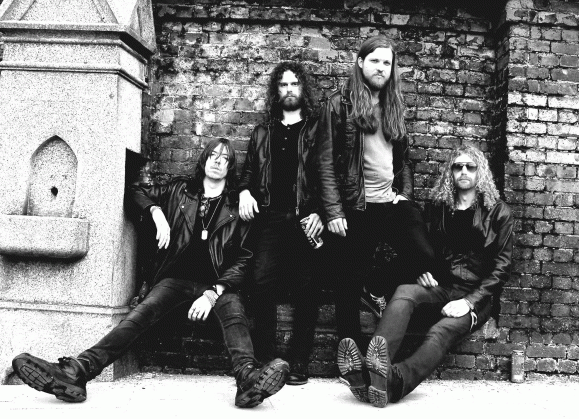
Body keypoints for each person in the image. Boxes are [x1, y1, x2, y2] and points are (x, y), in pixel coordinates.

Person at [12, 138, 289, 408]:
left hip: (217, 285)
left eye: (225, 158)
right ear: (204, 159)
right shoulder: (180, 190)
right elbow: (134, 191)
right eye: (213, 155)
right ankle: (78, 371)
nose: (218, 162)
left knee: (235, 314)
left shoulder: (236, 205)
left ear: (230, 167)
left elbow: (244, 259)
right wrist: (156, 211)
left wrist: (213, 293)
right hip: (174, 279)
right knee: (139, 315)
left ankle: (248, 380)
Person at [337, 145, 513, 407]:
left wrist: (469, 302)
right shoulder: (439, 208)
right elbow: (425, 248)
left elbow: (502, 268)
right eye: (458, 166)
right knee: (405, 292)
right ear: (450, 173)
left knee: (441, 330)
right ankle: (374, 368)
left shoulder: (499, 212)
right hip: (443, 287)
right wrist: (423, 271)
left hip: (477, 297)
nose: (464, 171)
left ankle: (393, 381)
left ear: (481, 172)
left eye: (470, 166)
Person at [316, 35, 434, 348]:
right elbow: (324, 162)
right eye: (375, 61)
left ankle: (377, 286)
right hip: (356, 206)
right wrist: (333, 211)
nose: (381, 68)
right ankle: (349, 352)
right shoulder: (338, 104)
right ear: (360, 62)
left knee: (424, 254)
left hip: (389, 203)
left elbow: (403, 159)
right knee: (348, 282)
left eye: (386, 62)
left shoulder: (394, 105)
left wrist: (404, 194)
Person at [238, 62, 323, 385]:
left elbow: (329, 175)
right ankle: (267, 361)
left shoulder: (316, 130)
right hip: (270, 218)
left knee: (307, 288)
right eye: (283, 84)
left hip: (306, 217)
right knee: (260, 283)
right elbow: (248, 172)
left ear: (303, 89)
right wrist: (244, 191)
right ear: (276, 91)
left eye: (294, 84)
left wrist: (322, 213)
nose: (289, 89)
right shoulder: (263, 132)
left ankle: (299, 361)